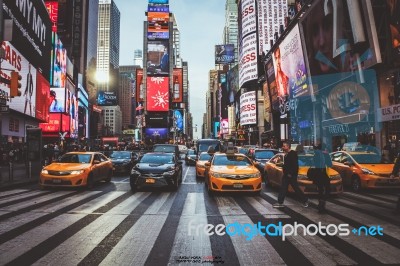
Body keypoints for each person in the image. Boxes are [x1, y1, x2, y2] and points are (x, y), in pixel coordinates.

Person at [273, 142, 309, 208]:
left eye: (284, 146)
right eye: (282, 146)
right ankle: (280, 202)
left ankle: (305, 200)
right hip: (286, 174)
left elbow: (295, 165)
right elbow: (288, 165)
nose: (282, 147)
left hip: (291, 175)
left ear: (288, 146)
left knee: (296, 188)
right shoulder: (286, 154)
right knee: (283, 188)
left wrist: (290, 173)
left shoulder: (292, 154)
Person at [313, 143, 332, 213]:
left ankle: (320, 204)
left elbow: (314, 163)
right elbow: (330, 164)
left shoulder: (316, 154)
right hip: (323, 174)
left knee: (320, 190)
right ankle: (322, 203)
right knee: (328, 189)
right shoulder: (325, 154)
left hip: (317, 174)